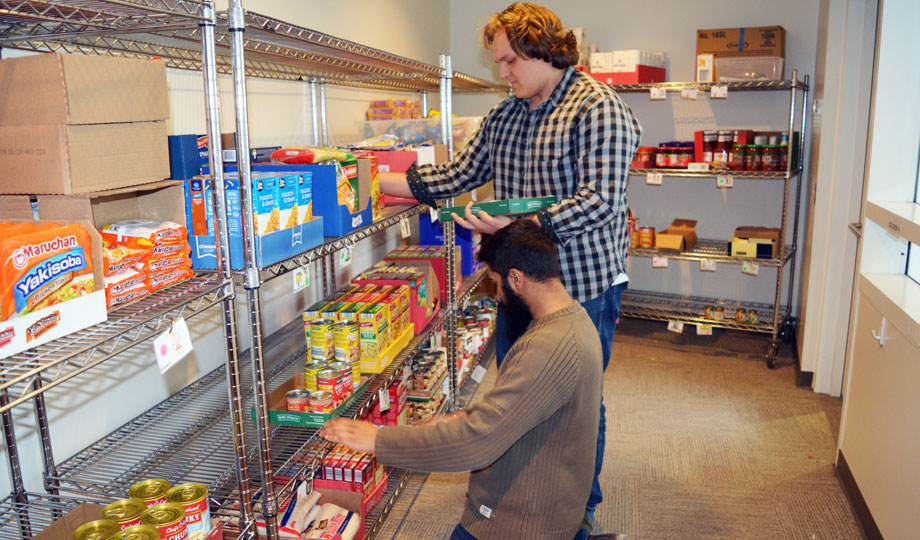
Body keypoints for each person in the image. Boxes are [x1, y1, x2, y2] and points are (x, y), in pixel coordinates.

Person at [378, 3, 641, 534]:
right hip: (516, 284)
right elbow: (456, 174)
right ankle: (519, 490)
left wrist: (517, 229)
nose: (502, 73)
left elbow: (601, 201)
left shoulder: (599, 110)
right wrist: (370, 180)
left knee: (578, 401)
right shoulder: (505, 116)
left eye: (509, 61)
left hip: (580, 285)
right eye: (499, 62)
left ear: (544, 51)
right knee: (515, 395)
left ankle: (578, 507)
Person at [320, 220, 602, 540]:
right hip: (541, 508)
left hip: (518, 524)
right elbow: (519, 408)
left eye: (496, 284)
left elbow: (477, 443)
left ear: (516, 279)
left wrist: (378, 441)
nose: (498, 296)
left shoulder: (547, 348)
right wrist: (460, 418)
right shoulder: (574, 321)